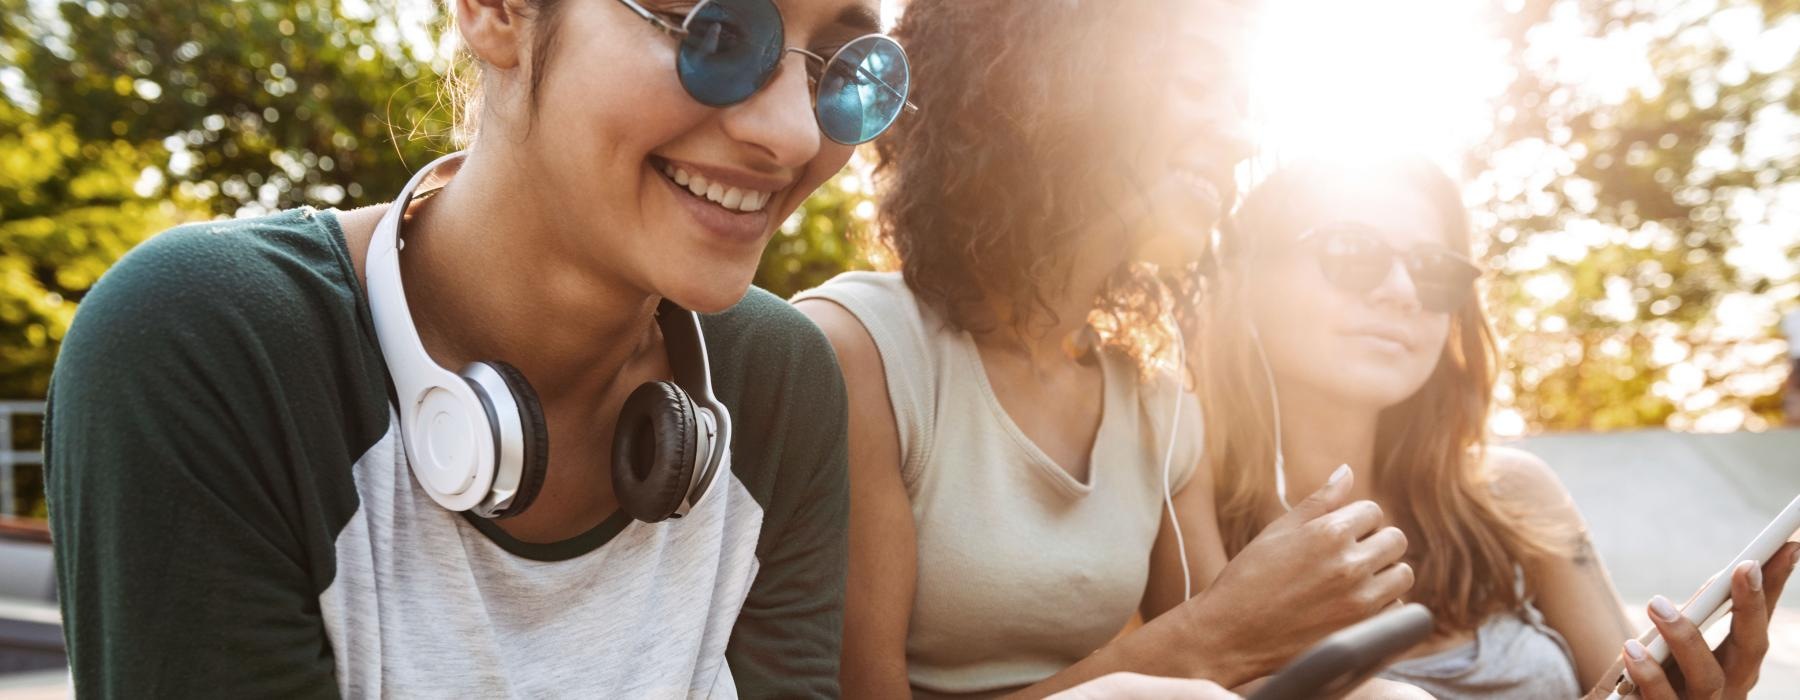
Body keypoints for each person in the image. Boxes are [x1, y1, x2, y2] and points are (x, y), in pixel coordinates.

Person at [45, 0, 917, 695]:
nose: (797, 134)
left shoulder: (780, 382)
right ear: (493, 9)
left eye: (843, 71)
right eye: (714, 31)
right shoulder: (208, 346)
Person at [794, 1, 1417, 697]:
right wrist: (1202, 639)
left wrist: (1299, 611)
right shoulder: (859, 353)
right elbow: (1202, 648)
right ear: (1037, 85)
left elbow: (1235, 662)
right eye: (1198, 85)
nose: (1241, 137)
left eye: (1242, 101)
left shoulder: (1158, 398)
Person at [1196, 155, 1800, 699]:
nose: (1404, 293)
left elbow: (1617, 688)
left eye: (1435, 271)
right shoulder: (1185, 498)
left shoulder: (1511, 493)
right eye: (1352, 252)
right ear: (1248, 278)